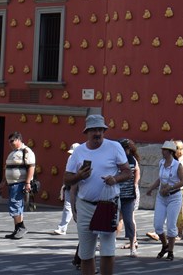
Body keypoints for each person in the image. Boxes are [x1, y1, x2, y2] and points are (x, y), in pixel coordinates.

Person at [64, 114, 132, 275]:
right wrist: (79, 176)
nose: (98, 133)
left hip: (109, 204)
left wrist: (114, 179)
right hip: (85, 205)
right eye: (94, 130)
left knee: (108, 250)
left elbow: (127, 172)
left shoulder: (114, 147)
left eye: (100, 130)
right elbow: (66, 178)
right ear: (87, 132)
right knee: (86, 253)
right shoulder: (78, 152)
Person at [145, 140, 183, 260]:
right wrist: (151, 188)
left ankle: (171, 251)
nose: (162, 151)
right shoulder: (161, 163)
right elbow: (159, 179)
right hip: (161, 197)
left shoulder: (177, 165)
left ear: (170, 152)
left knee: (171, 226)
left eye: (164, 150)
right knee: (157, 225)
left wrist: (170, 187)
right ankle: (165, 245)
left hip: (174, 197)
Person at [0, 131, 35, 239]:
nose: (10, 144)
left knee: (15, 204)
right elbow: (7, 169)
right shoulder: (12, 153)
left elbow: (31, 167)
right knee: (16, 205)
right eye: (9, 142)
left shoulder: (26, 151)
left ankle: (21, 227)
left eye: (12, 141)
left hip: (19, 183)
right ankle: (17, 229)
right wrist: (3, 182)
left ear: (18, 140)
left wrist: (28, 182)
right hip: (12, 183)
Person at [118, 139, 141, 256]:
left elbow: (137, 171)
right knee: (114, 220)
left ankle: (133, 245)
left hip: (128, 196)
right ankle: (108, 243)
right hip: (116, 195)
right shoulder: (116, 160)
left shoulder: (132, 160)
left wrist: (135, 184)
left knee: (129, 220)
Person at [53, 143, 79, 235]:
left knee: (81, 207)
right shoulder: (70, 158)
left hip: (79, 186)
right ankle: (62, 228)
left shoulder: (82, 159)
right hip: (69, 186)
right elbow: (67, 172)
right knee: (67, 207)